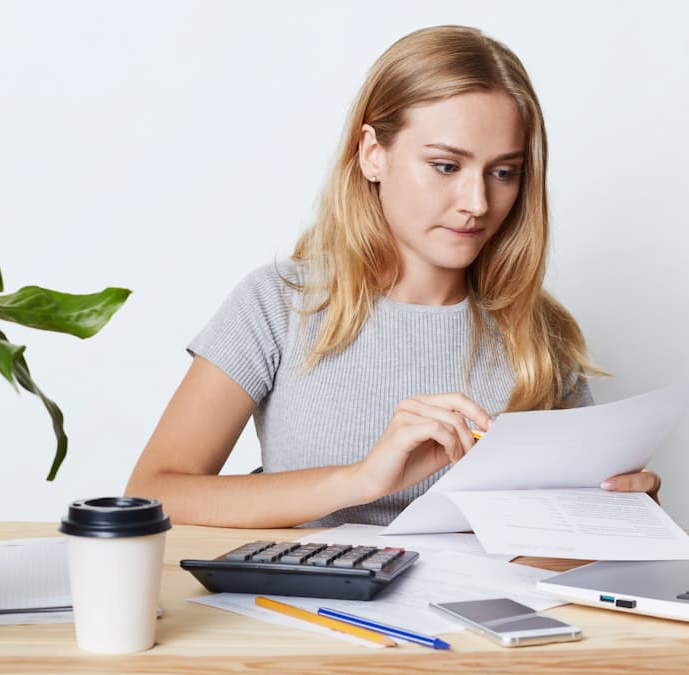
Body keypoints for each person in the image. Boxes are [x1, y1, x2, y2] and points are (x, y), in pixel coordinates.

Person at [126, 25, 661, 528]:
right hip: (308, 620)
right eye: (446, 166)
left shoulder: (538, 334)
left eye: (503, 172)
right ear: (373, 155)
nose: (477, 203)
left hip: (478, 623)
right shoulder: (279, 304)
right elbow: (154, 494)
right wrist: (358, 481)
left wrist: (619, 516)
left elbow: (558, 555)